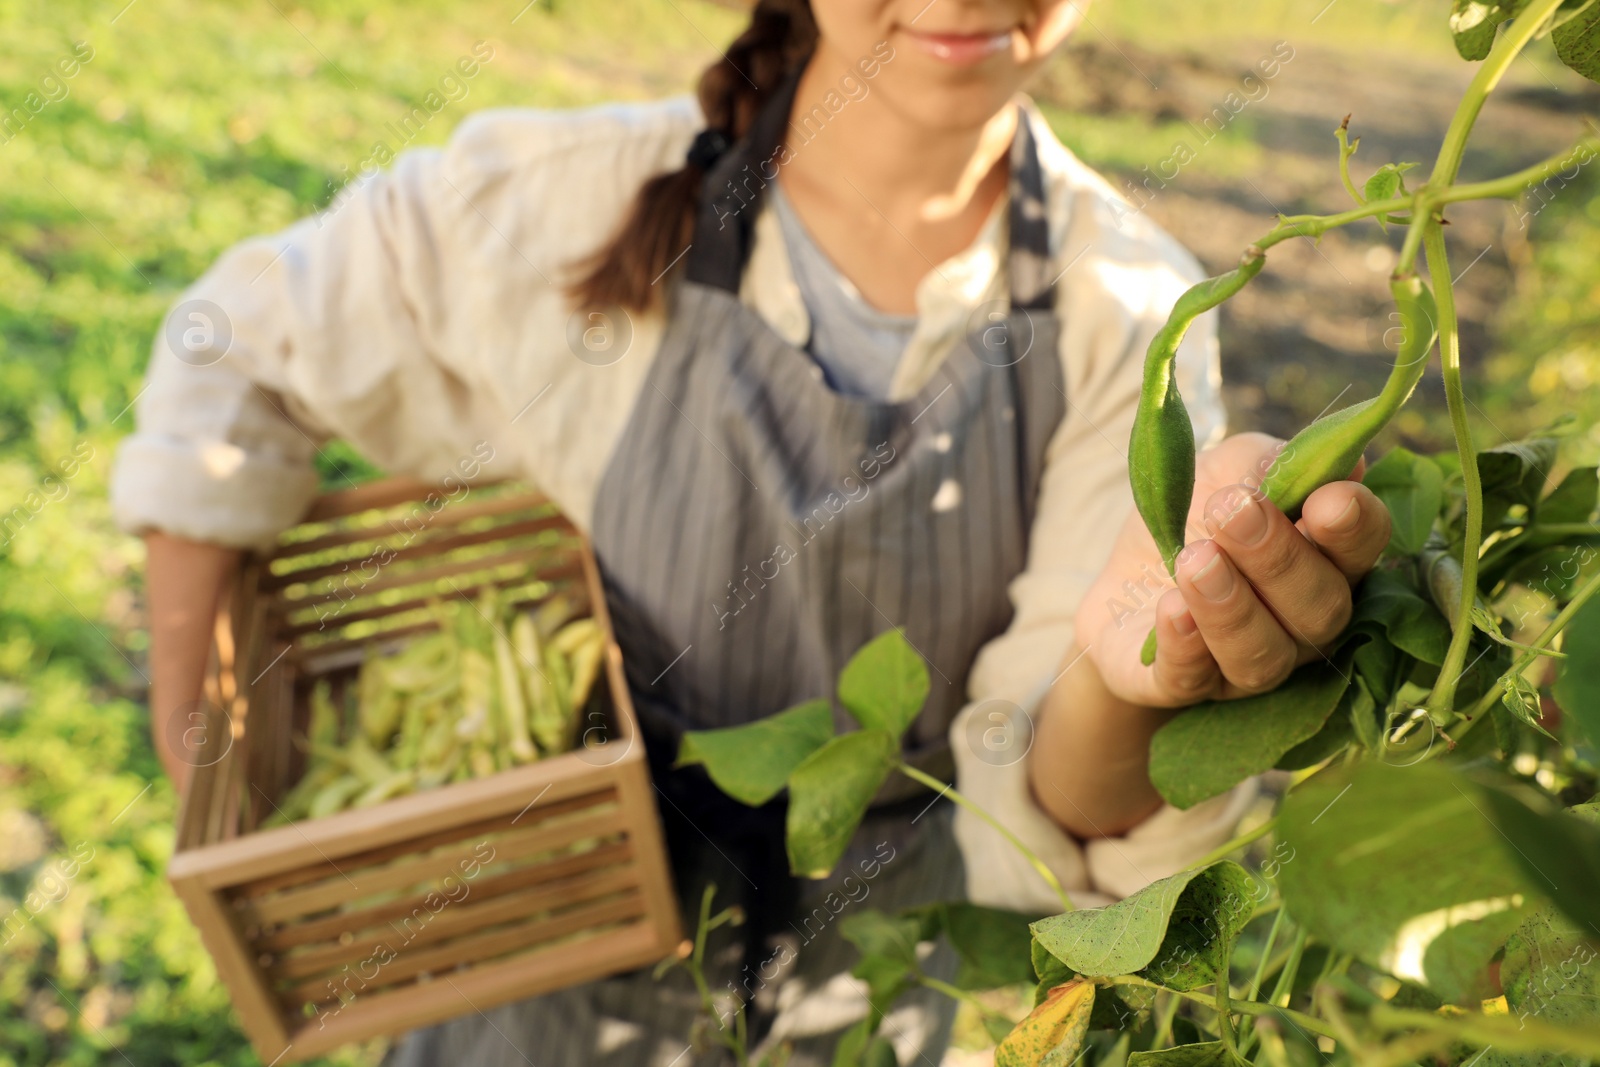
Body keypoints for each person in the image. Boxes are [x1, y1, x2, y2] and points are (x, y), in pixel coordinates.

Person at [112, 0, 1393, 1063]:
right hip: (546, 932)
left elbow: (1054, 795)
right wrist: (207, 778)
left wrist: (1132, 678)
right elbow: (232, 353)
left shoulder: (1126, 313)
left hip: (886, 976)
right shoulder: (565, 202)